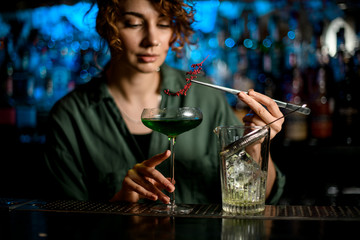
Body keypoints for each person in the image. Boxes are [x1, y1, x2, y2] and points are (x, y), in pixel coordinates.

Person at [43, 0, 285, 205]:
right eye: (134, 23)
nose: (151, 40)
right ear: (108, 27)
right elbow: (64, 225)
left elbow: (254, 201)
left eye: (162, 24)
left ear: (173, 31)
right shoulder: (70, 116)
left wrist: (257, 148)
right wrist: (118, 207)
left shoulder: (205, 99)